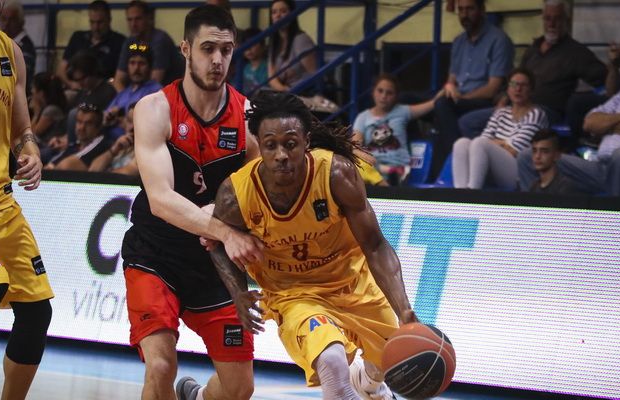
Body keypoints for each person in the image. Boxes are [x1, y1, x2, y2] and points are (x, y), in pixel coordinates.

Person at [197, 90, 419, 400]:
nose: (281, 154)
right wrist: (238, 293)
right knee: (331, 361)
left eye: (290, 144)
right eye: (270, 145)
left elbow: (375, 246)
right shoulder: (236, 194)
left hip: (354, 284)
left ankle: (370, 384)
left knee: (392, 361)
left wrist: (405, 311)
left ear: (306, 142)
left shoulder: (336, 174)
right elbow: (217, 242)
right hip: (294, 295)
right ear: (259, 144)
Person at [119, 6, 264, 400]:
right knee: (160, 366)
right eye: (207, 48)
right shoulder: (154, 108)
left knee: (240, 388)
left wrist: (227, 217)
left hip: (214, 263)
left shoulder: (248, 116)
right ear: (185, 49)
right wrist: (225, 231)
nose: (217, 60)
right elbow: (161, 200)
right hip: (156, 254)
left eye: (226, 50)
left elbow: (257, 193)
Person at [0, 8, 54, 399]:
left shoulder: (11, 52)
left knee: (36, 312)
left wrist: (30, 152)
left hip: (1, 200)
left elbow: (22, 129)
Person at [459, 0, 607, 142]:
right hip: (516, 105)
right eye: (547, 19)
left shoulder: (576, 52)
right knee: (467, 122)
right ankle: (501, 152)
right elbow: (517, 77)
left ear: (566, 21)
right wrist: (504, 97)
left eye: (557, 19)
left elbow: (605, 80)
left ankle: (507, 151)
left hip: (546, 111)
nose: (551, 24)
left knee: (524, 123)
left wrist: (613, 66)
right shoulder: (534, 48)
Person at [430, 0, 514, 180]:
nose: (464, 15)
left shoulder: (499, 40)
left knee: (443, 107)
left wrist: (461, 97)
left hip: (483, 100)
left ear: (482, 10)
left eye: (469, 9)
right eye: (461, 10)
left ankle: (452, 162)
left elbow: (492, 88)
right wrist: (449, 87)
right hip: (458, 99)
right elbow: (451, 80)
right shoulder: (458, 41)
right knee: (409, 100)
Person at [517, 82, 620, 197]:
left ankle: (619, 208)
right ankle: (534, 206)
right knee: (527, 156)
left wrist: (608, 124)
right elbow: (590, 122)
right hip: (600, 167)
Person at [452, 68, 548, 190]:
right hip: (494, 166)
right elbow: (484, 138)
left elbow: (516, 150)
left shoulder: (536, 114)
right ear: (508, 89)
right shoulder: (501, 113)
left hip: (518, 172)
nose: (518, 89)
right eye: (513, 84)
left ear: (531, 90)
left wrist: (494, 143)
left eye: (523, 85)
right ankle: (460, 192)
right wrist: (502, 143)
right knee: (462, 143)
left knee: (480, 144)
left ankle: (473, 193)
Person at [353, 73, 441, 185]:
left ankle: (387, 181)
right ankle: (385, 183)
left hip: (399, 168)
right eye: (380, 91)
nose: (383, 96)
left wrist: (448, 87)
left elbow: (433, 103)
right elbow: (354, 147)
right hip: (374, 166)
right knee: (355, 163)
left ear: (396, 96)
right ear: (373, 92)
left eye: (389, 93)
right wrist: (366, 158)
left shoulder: (403, 111)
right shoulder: (363, 117)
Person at [113, 0, 185, 92]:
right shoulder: (129, 42)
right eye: (130, 20)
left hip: (170, 93)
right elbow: (118, 81)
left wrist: (134, 99)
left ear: (148, 18)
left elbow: (154, 83)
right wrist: (125, 99)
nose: (133, 24)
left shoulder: (160, 40)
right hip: (140, 94)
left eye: (138, 19)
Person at [57, 0, 126, 89]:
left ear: (109, 20)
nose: (96, 27)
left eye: (100, 22)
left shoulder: (119, 42)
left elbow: (121, 77)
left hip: (104, 91)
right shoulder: (78, 38)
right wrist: (71, 84)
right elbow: (61, 70)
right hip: (74, 89)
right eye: (92, 22)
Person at [103, 43, 162, 140]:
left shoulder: (156, 91)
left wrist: (121, 121)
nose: (136, 68)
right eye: (132, 63)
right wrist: (107, 118)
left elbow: (148, 126)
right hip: (110, 141)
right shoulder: (124, 92)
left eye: (141, 63)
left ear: (150, 67)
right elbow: (105, 116)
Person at [267, 0, 317, 94]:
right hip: (285, 93)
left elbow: (314, 74)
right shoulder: (274, 42)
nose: (278, 15)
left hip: (304, 92)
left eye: (283, 11)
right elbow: (271, 78)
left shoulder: (300, 39)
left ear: (292, 14)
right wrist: (284, 90)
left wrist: (289, 92)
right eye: (274, 12)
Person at [48, 102, 111, 171]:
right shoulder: (74, 146)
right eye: (79, 122)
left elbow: (66, 166)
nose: (81, 128)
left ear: (98, 127)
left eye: (88, 123)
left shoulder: (102, 146)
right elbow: (49, 167)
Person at [0, 0, 36, 93]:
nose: (6, 24)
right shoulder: (3, 41)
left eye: (11, 20)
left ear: (20, 21)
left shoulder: (26, 46)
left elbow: (13, 75)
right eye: (3, 19)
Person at [28, 72, 68, 162]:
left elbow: (32, 134)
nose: (32, 91)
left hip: (49, 146)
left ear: (41, 93)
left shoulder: (51, 110)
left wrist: (36, 113)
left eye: (33, 88)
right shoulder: (48, 108)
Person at [90, 103, 138, 176]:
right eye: (129, 121)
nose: (131, 127)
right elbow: (93, 170)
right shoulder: (120, 146)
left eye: (136, 123)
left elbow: (127, 173)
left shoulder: (145, 151)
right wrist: (114, 149)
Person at [528, 129, 580, 195]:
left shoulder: (566, 187)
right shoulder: (534, 186)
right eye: (534, 151)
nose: (537, 156)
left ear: (556, 155)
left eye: (544, 151)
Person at [240, 27, 268, 96]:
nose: (248, 49)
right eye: (246, 45)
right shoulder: (245, 68)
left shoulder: (267, 67)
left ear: (263, 46)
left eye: (253, 44)